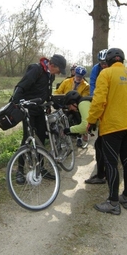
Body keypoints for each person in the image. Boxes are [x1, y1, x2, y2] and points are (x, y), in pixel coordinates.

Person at [11, 54, 67, 184]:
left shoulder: (50, 75)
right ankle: (20, 171)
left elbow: (46, 92)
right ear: (53, 65)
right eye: (59, 70)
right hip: (27, 109)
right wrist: (15, 103)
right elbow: (22, 86)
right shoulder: (36, 69)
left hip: (40, 110)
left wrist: (48, 104)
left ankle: (40, 168)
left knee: (41, 139)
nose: (58, 73)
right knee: (27, 138)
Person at [87, 48, 127, 215]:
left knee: (111, 164)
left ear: (108, 61)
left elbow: (98, 101)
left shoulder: (106, 73)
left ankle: (113, 202)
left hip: (112, 127)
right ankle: (125, 196)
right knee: (126, 162)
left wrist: (91, 120)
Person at [85, 49, 108, 184]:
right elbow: (93, 83)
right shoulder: (96, 69)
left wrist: (91, 120)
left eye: (105, 63)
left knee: (102, 144)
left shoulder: (109, 72)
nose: (103, 65)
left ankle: (102, 175)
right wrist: (94, 96)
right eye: (101, 63)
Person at [54, 65, 90, 147]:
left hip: (76, 105)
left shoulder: (86, 86)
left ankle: (79, 137)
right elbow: (58, 91)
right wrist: (56, 97)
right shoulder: (66, 81)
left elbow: (83, 97)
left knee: (78, 116)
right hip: (65, 103)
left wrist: (76, 105)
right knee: (60, 117)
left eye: (80, 77)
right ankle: (60, 135)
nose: (78, 78)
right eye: (77, 76)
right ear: (75, 74)